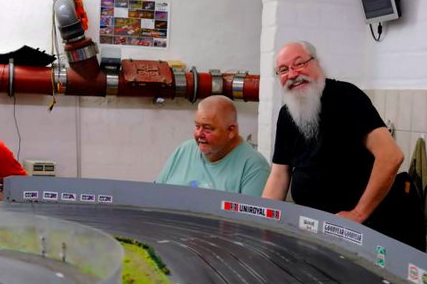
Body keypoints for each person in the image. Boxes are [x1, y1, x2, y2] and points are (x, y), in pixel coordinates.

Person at [262, 41, 404, 224]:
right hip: (311, 225)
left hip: (361, 225)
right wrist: (263, 220)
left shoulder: (348, 97)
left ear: (316, 63)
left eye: (299, 64)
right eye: (283, 70)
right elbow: (279, 173)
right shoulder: (286, 115)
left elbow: (391, 156)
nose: (292, 74)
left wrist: (358, 214)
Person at [157, 95, 270, 196]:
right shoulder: (184, 151)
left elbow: (251, 213)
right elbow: (155, 196)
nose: (199, 134)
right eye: (197, 126)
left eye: (208, 129)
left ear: (231, 131)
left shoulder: (254, 168)